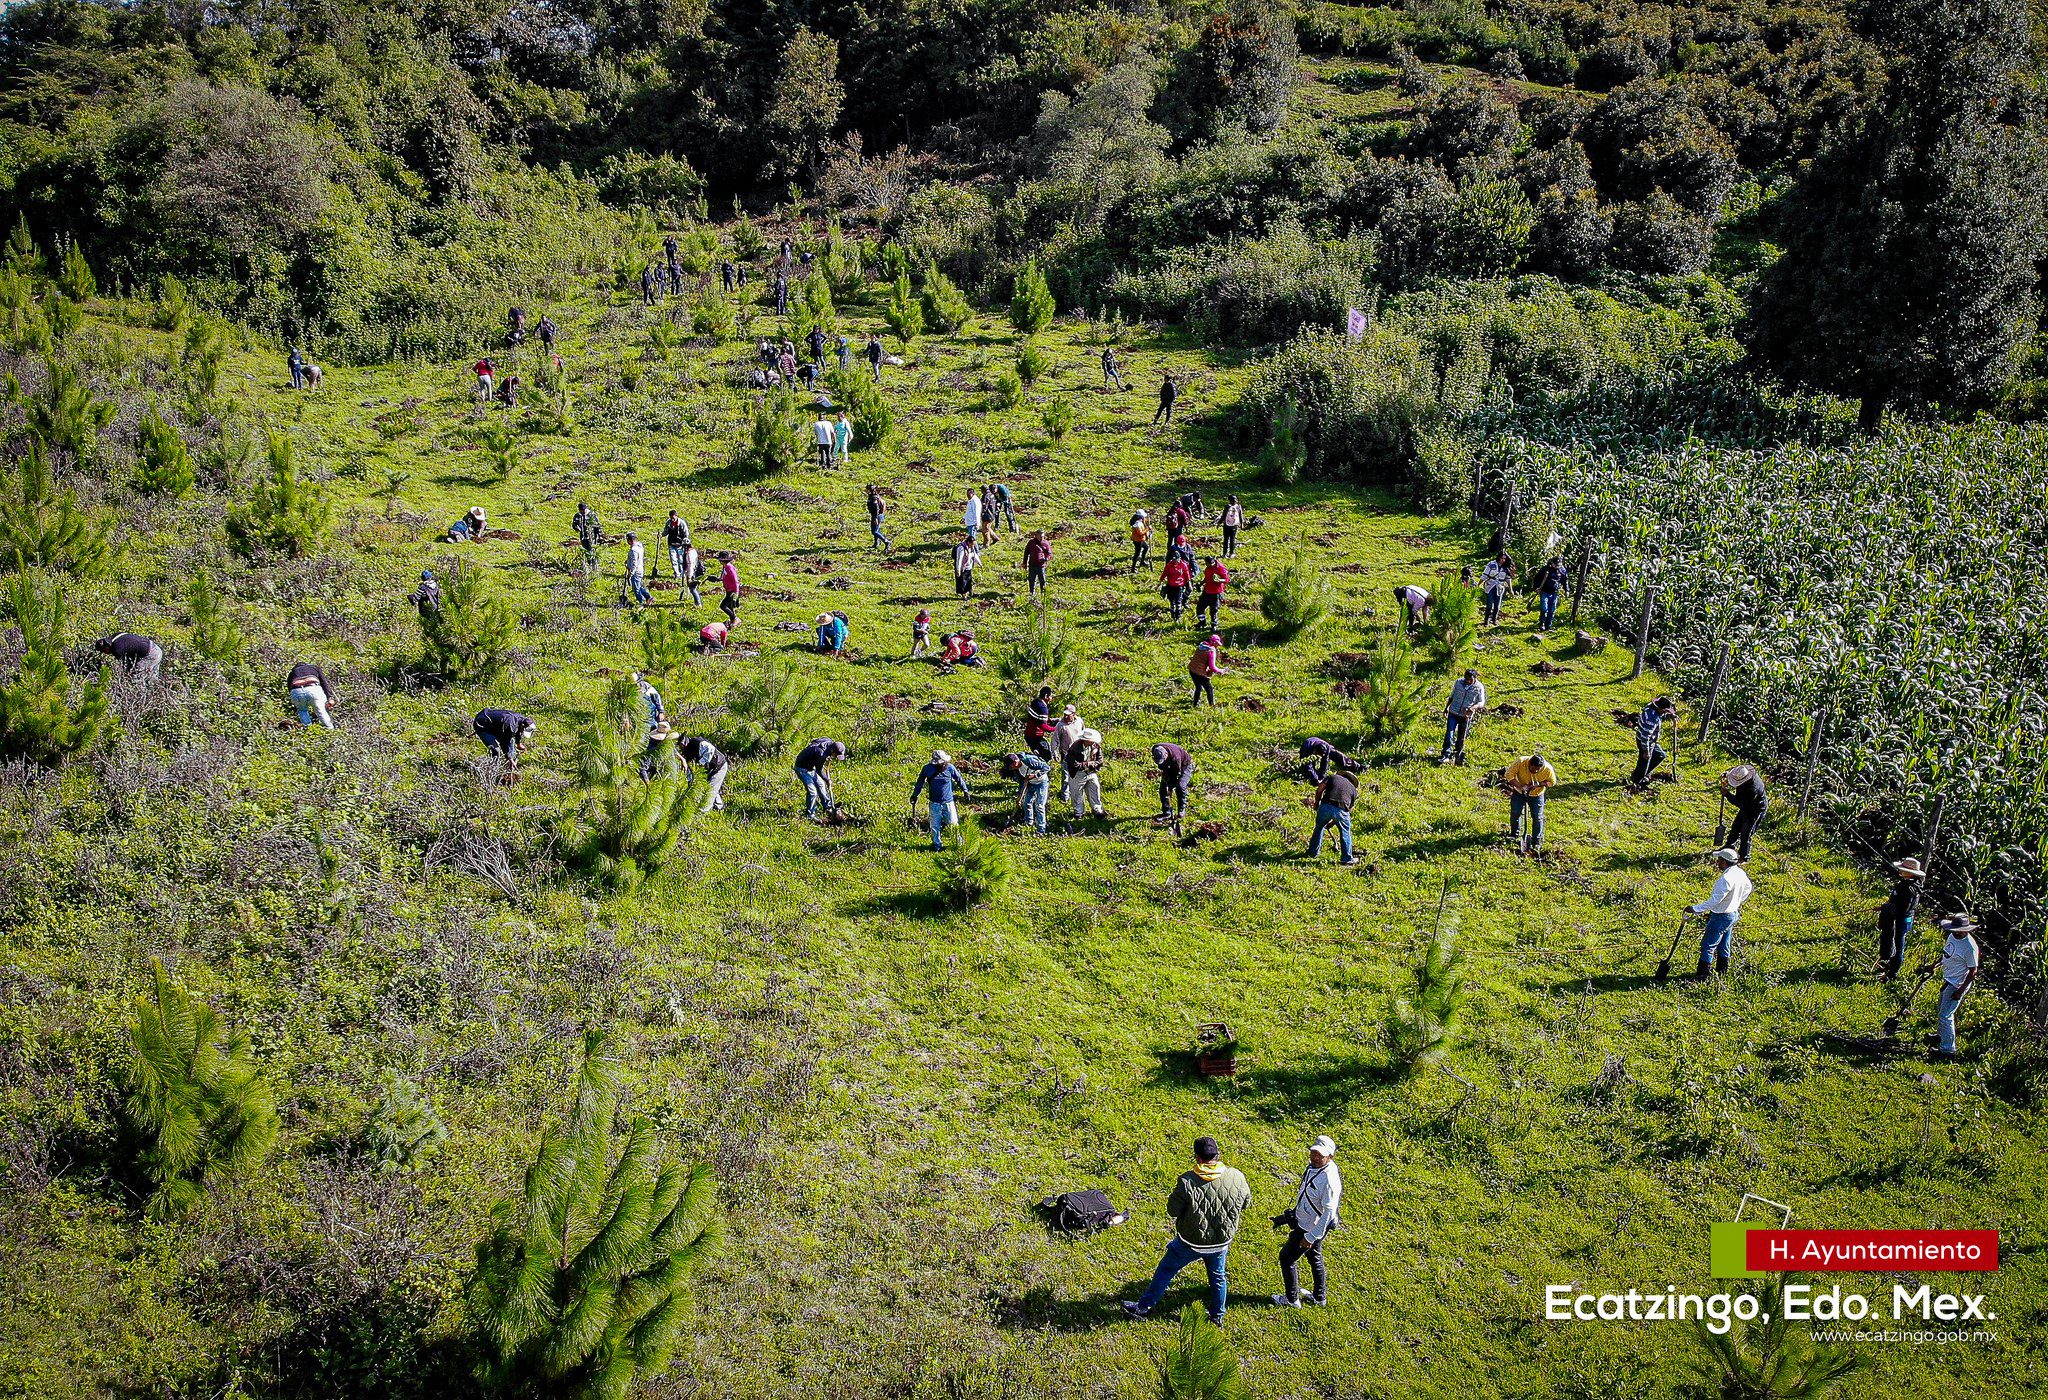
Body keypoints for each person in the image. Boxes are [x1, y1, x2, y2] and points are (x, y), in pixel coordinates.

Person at [1120, 1137, 1251, 1324]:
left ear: (1197, 1157)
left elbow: (1172, 1211)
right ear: (1218, 1155)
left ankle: (1143, 1308)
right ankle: (1217, 1316)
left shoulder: (1187, 1181)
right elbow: (1246, 1203)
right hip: (1221, 1242)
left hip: (1190, 1241)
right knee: (1218, 1277)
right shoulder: (1237, 1176)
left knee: (1166, 1270)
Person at [1272, 1136, 1342, 1308]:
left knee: (1287, 1258)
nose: (1315, 1157)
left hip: (1311, 1227)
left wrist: (1311, 1237)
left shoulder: (1329, 1180)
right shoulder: (1315, 1167)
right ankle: (1319, 1298)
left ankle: (1291, 1299)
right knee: (1314, 1258)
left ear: (1330, 1157)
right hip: (1309, 1223)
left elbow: (1329, 1212)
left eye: (1320, 1155)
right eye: (1314, 1152)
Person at [1688, 847, 1753, 979]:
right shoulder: (1740, 873)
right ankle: (1722, 971)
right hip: (1732, 914)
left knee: (1708, 945)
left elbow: (1715, 900)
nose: (1717, 863)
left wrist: (1695, 909)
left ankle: (1702, 976)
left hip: (1721, 916)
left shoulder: (1726, 879)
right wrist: (1737, 901)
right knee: (1724, 944)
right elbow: (1748, 888)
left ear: (1724, 862)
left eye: (1719, 860)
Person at [1930, 914, 1980, 1057]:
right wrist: (1934, 965)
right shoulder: (1952, 937)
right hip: (1948, 979)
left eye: (1958, 930)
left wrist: (1960, 990)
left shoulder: (1970, 947)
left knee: (1946, 1015)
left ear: (1965, 930)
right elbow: (1947, 953)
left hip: (1957, 983)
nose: (1955, 932)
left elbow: (1973, 971)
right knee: (1941, 1008)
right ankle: (1941, 1035)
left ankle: (1948, 1049)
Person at [1876, 856, 1925, 981]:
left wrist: (1889, 908)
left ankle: (1893, 973)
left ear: (1910, 873)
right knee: (1896, 941)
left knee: (1898, 944)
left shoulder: (1908, 888)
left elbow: (1904, 907)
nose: (1900, 871)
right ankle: (1890, 966)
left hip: (1902, 919)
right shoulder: (1910, 885)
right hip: (1904, 918)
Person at [911, 750, 970, 851]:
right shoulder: (927, 769)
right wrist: (915, 795)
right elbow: (920, 782)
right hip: (934, 803)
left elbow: (959, 778)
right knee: (935, 826)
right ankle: (937, 845)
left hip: (948, 802)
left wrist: (965, 790)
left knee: (953, 824)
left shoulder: (950, 768)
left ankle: (959, 845)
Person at [1502, 751, 1558, 857]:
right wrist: (1520, 786)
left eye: (1538, 770)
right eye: (1533, 769)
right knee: (1515, 812)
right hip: (1519, 793)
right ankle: (1514, 834)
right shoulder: (1521, 762)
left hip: (1537, 795)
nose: (1535, 771)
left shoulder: (1547, 769)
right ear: (1529, 764)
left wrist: (1539, 784)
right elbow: (1509, 775)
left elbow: (1552, 782)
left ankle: (1537, 840)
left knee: (1537, 817)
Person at [1307, 767, 1360, 866]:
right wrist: (1333, 823)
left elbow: (1319, 790)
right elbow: (1347, 809)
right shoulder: (1353, 790)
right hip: (1342, 810)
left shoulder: (1332, 777)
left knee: (1319, 828)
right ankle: (1347, 859)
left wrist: (1316, 803)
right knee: (1345, 832)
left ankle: (1312, 853)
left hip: (1326, 805)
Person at [1721, 764, 1768, 862]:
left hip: (1755, 810)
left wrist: (1727, 794)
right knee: (1736, 826)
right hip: (1746, 806)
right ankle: (1729, 847)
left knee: (1746, 833)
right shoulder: (1744, 774)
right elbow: (1734, 773)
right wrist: (1727, 775)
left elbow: (1740, 803)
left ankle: (1744, 856)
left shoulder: (1752, 790)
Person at [793, 738, 847, 819]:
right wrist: (827, 779)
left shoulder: (829, 742)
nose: (836, 757)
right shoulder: (821, 754)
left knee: (821, 785)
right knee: (813, 792)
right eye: (836, 755)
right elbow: (819, 770)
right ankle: (810, 814)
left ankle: (828, 807)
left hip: (810, 767)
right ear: (832, 751)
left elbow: (814, 740)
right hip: (802, 768)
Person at [1630, 697, 1678, 789]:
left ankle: (1642, 773)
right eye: (1665, 711)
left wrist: (1669, 716)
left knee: (1660, 755)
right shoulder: (1652, 719)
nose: (1665, 713)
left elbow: (1661, 716)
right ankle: (1637, 781)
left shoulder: (1651, 708)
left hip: (1650, 741)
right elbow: (1645, 736)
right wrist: (1646, 751)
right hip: (1646, 743)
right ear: (1660, 709)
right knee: (1644, 763)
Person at [1440, 668, 1485, 765]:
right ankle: (1446, 754)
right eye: (1466, 679)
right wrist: (1446, 708)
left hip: (1465, 716)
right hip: (1453, 712)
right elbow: (1452, 696)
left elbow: (1481, 702)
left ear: (1475, 678)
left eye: (1470, 680)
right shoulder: (1458, 682)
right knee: (1449, 733)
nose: (1468, 681)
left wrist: (1474, 707)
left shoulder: (1479, 687)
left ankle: (1457, 755)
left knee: (1461, 737)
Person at [676, 734, 731, 812]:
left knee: (711, 789)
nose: (681, 746)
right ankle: (719, 806)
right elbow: (689, 769)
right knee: (711, 786)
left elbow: (710, 750)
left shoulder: (698, 742)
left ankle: (703, 811)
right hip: (709, 770)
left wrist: (700, 764)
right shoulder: (686, 753)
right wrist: (690, 782)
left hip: (719, 766)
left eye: (681, 744)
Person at [1003, 751, 1053, 833]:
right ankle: (1029, 823)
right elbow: (1022, 783)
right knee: (1026, 803)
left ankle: (1041, 829)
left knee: (1039, 806)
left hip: (1041, 782)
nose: (1010, 768)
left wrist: (1035, 775)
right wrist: (1019, 798)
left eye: (1011, 766)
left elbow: (1047, 768)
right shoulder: (1017, 770)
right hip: (1031, 784)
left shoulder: (1029, 761)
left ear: (1015, 762)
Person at [1065, 727, 1105, 818]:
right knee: (1077, 794)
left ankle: (1097, 810)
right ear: (1085, 740)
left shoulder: (1096, 746)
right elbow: (1074, 765)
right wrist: (1087, 764)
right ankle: (1079, 813)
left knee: (1095, 789)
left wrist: (1095, 764)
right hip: (1077, 774)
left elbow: (1100, 759)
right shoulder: (1074, 748)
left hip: (1091, 772)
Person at [94, 631, 162, 683]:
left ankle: (139, 699)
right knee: (152, 680)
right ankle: (157, 697)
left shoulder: (117, 649)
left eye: (103, 651)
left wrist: (125, 678)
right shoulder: (116, 636)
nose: (105, 653)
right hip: (156, 649)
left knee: (136, 679)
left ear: (106, 647)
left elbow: (126, 666)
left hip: (150, 654)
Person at [1152, 742, 1194, 824]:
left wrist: (1170, 788)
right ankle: (1167, 813)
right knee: (1163, 789)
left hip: (1184, 765)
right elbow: (1162, 766)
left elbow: (1175, 774)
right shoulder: (1155, 749)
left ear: (1166, 754)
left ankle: (1181, 810)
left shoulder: (1176, 757)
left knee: (1180, 786)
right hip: (1169, 765)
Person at [286, 662, 335, 728]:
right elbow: (324, 682)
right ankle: (330, 729)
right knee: (321, 710)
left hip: (296, 690)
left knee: (302, 710)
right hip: (313, 688)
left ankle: (308, 729)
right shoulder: (314, 668)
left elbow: (289, 688)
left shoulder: (292, 672)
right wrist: (330, 698)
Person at [1296, 737, 1362, 784]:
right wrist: (1316, 779)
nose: (1320, 757)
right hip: (1308, 746)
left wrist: (1322, 777)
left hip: (1321, 744)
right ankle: (1311, 778)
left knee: (1338, 755)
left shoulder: (1326, 747)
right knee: (1307, 768)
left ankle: (1358, 767)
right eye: (1319, 754)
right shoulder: (1307, 749)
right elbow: (1308, 766)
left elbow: (1325, 762)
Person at [1533, 554, 1568, 632]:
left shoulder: (1562, 570)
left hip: (1554, 593)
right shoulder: (1545, 569)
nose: (1557, 566)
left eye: (1559, 565)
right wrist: (1536, 588)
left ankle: (1548, 625)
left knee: (1552, 610)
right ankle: (1542, 623)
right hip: (1544, 592)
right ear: (1552, 563)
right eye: (1555, 564)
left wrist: (1566, 590)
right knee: (1544, 608)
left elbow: (1565, 581)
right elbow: (1537, 579)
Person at [1188, 634, 1224, 707]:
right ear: (1212, 642)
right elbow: (1212, 667)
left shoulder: (1201, 646)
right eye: (1216, 644)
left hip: (1192, 670)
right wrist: (1220, 671)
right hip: (1200, 673)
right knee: (1209, 689)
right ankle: (1211, 705)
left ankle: (1195, 704)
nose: (1217, 646)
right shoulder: (1211, 651)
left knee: (1198, 687)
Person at [1480, 552, 1514, 626]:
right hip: (1490, 586)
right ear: (1498, 557)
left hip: (1500, 587)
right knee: (1489, 604)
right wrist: (1479, 584)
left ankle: (1494, 619)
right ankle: (1486, 620)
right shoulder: (1491, 564)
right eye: (1502, 558)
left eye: (1504, 559)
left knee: (1497, 604)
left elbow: (1508, 579)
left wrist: (1511, 590)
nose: (1503, 560)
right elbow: (1484, 575)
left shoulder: (1506, 568)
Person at [1025, 686, 1058, 760]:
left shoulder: (1036, 702)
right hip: (1035, 737)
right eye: (1051, 696)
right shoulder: (1043, 708)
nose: (1052, 698)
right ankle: (1041, 769)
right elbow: (1042, 726)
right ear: (1046, 696)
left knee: (1039, 755)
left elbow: (1038, 718)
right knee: (1047, 756)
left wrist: (1053, 720)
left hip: (1028, 734)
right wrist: (1056, 729)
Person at [1196, 556, 1229, 629]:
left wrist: (1219, 580)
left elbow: (1226, 579)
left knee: (1213, 610)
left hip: (1216, 592)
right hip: (1207, 591)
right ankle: (1202, 622)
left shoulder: (1220, 568)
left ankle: (1214, 625)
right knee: (1200, 608)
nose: (1208, 565)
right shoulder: (1208, 568)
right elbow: (1206, 578)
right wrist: (1201, 584)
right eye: (1207, 564)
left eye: (1210, 564)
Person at [1160, 554, 1193, 622]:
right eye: (1174, 560)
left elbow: (1187, 574)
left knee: (1178, 601)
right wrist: (1160, 583)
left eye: (1176, 560)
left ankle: (1178, 616)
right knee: (1172, 601)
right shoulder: (1169, 565)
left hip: (1179, 586)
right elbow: (1164, 574)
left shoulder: (1183, 565)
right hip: (1171, 585)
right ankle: (1173, 614)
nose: (1175, 561)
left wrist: (1189, 583)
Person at [662, 511, 691, 580]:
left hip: (680, 544)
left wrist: (685, 541)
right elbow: (666, 531)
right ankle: (677, 574)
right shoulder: (668, 523)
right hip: (671, 543)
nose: (672, 519)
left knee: (681, 559)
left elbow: (686, 533)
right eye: (671, 517)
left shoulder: (681, 523)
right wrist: (661, 535)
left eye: (673, 517)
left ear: (676, 516)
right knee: (673, 559)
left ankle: (682, 573)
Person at [624, 533, 651, 606]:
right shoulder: (640, 546)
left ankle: (641, 602)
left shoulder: (633, 550)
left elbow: (634, 563)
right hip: (640, 569)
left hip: (636, 572)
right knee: (638, 586)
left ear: (630, 540)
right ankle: (648, 597)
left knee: (636, 589)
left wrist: (631, 573)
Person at [1024, 531, 1052, 599]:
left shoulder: (1046, 543)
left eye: (1042, 536)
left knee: (1042, 581)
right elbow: (1026, 552)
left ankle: (1043, 595)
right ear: (1036, 535)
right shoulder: (1031, 542)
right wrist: (1024, 563)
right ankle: (1031, 594)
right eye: (1040, 536)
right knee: (1031, 580)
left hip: (1041, 566)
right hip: (1032, 565)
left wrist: (1046, 559)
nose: (1041, 538)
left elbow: (1049, 554)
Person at [718, 553, 741, 624]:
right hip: (728, 590)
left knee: (723, 606)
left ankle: (735, 619)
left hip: (732, 591)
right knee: (729, 606)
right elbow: (725, 578)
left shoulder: (729, 567)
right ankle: (732, 621)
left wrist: (736, 593)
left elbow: (735, 580)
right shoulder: (725, 567)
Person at [866, 485, 890, 551]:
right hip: (878, 515)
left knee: (874, 531)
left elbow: (876, 508)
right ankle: (876, 543)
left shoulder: (873, 498)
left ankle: (886, 541)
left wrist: (875, 518)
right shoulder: (874, 496)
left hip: (877, 516)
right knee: (876, 530)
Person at [679, 541, 703, 606]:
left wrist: (689, 576)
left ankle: (698, 604)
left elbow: (690, 566)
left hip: (692, 573)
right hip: (696, 571)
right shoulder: (694, 551)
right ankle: (697, 602)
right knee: (695, 588)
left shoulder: (689, 555)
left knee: (692, 589)